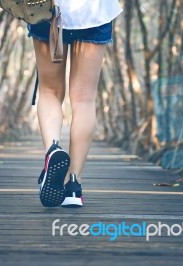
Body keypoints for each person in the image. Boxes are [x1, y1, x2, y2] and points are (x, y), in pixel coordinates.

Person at [28, 0, 122, 208]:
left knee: (50, 91)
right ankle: (73, 185)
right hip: (95, 11)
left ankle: (52, 150)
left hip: (46, 10)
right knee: (84, 99)